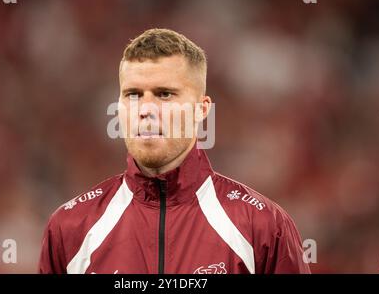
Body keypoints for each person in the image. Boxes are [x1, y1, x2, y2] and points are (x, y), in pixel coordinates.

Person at [38, 28, 310, 274]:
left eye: (164, 94)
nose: (146, 109)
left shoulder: (262, 227)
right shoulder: (69, 228)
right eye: (133, 94)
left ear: (202, 109)